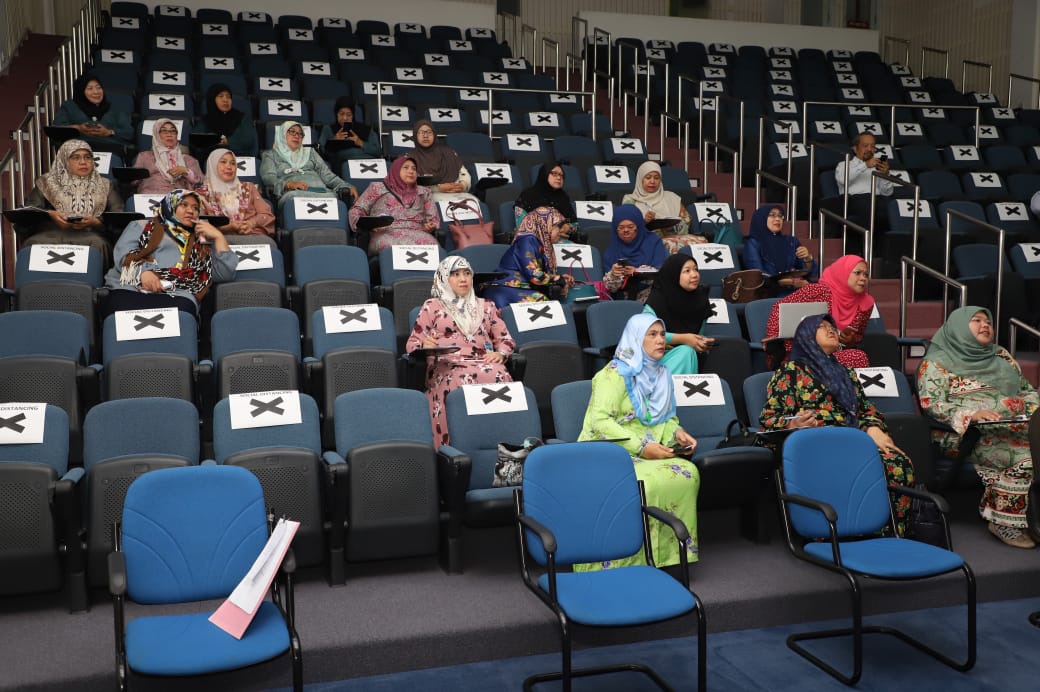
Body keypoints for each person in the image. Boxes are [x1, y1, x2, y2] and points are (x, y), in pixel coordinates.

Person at [760, 313, 915, 535]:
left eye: (832, 326)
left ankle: (889, 534)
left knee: (897, 462)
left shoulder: (846, 373)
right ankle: (838, 532)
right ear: (806, 336)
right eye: (822, 327)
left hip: (853, 439)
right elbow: (769, 419)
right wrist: (794, 423)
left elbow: (866, 410)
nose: (831, 330)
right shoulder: (790, 372)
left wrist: (873, 428)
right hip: (815, 443)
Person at [577, 313, 700, 569]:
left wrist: (677, 434)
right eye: (651, 335)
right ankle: (630, 562)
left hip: (650, 449)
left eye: (661, 334)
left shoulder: (662, 373)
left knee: (688, 473)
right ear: (635, 339)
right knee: (647, 482)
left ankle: (668, 558)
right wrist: (641, 448)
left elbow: (666, 418)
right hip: (609, 449)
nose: (660, 340)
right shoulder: (613, 374)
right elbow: (600, 422)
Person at [917, 306, 1039, 548]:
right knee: (1026, 458)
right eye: (977, 320)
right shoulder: (936, 363)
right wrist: (971, 415)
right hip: (965, 434)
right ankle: (1004, 522)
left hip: (1014, 426)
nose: (985, 325)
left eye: (988, 322)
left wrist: (1025, 405)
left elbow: (1026, 390)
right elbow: (932, 404)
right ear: (959, 327)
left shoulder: (1002, 356)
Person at [406, 256, 516, 447]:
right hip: (446, 365)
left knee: (501, 374)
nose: (463, 279)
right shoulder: (432, 306)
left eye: (467, 273)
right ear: (444, 278)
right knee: (459, 380)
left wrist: (501, 353)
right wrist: (425, 345)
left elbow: (505, 339)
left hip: (483, 362)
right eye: (455, 275)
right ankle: (455, 449)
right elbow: (412, 343)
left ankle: (504, 443)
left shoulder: (487, 306)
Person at [104, 189, 237, 316]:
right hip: (131, 288)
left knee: (183, 313)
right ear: (170, 205)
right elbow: (124, 253)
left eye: (195, 208)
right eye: (184, 205)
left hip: (177, 294)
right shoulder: (140, 225)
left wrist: (219, 237)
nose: (190, 211)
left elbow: (224, 274)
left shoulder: (201, 239)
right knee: (119, 308)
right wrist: (143, 272)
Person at [19, 139, 123, 261]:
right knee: (33, 243)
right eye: (75, 158)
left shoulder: (105, 185)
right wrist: (50, 214)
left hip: (91, 234)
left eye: (88, 157)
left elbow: (118, 216)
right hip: (50, 233)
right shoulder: (46, 183)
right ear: (63, 160)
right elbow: (29, 213)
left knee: (99, 245)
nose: (83, 162)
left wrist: (97, 223)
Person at [764, 254, 873, 368]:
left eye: (866, 274)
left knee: (858, 357)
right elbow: (779, 308)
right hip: (797, 352)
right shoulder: (818, 291)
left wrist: (849, 340)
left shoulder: (866, 304)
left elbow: (857, 336)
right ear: (843, 272)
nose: (863, 278)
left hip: (832, 353)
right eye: (857, 273)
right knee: (858, 357)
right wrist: (773, 342)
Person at [482, 206, 574, 309]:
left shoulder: (541, 244)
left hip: (519, 288)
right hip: (504, 288)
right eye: (558, 228)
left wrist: (558, 279)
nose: (561, 233)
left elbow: (539, 275)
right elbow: (534, 275)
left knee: (549, 304)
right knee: (545, 303)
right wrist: (558, 279)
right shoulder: (527, 240)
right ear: (545, 225)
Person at [348, 155, 439, 256]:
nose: (411, 171)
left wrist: (430, 226)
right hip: (385, 233)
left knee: (433, 246)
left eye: (414, 169)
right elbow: (357, 209)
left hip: (418, 232)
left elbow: (433, 219)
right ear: (396, 169)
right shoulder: (377, 188)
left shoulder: (424, 192)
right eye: (406, 167)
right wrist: (368, 224)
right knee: (389, 247)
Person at [642, 253, 715, 375]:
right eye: (687, 271)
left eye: (696, 269)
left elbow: (698, 334)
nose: (694, 275)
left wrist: (701, 342)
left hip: (689, 355)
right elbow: (646, 335)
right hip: (655, 357)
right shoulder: (657, 300)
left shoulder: (700, 298)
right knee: (686, 351)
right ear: (674, 274)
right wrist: (684, 339)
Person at [260, 120, 357, 210]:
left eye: (300, 133)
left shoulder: (310, 152)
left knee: (336, 200)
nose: (297, 136)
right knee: (293, 198)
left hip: (322, 193)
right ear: (282, 134)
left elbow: (328, 176)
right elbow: (269, 178)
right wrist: (288, 184)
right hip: (293, 194)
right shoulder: (270, 155)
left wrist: (346, 185)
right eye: (292, 131)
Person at [196, 148, 276, 243]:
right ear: (212, 165)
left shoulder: (248, 188)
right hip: (219, 240)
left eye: (233, 163)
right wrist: (227, 228)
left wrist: (251, 223)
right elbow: (200, 226)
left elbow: (266, 215)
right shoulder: (201, 195)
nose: (229, 167)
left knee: (269, 243)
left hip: (251, 236)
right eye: (223, 162)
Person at [622, 161, 698, 254]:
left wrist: (673, 227)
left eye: (656, 178)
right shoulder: (630, 200)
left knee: (700, 241)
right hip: (645, 239)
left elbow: (686, 219)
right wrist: (644, 221)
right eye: (648, 177)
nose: (652, 181)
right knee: (669, 245)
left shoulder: (671, 197)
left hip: (674, 236)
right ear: (640, 179)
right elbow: (626, 226)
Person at [743, 204, 818, 297]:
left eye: (780, 216)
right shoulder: (753, 243)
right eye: (772, 215)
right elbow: (757, 276)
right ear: (761, 218)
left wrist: (807, 258)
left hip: (793, 290)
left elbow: (811, 274)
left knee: (822, 292)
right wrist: (791, 282)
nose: (778, 219)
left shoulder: (791, 241)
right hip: (768, 293)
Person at [51, 73, 133, 153]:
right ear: (81, 91)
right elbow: (56, 129)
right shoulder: (69, 106)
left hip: (109, 148)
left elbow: (128, 132)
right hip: (77, 149)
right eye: (90, 88)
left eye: (99, 88)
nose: (96, 92)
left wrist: (109, 132)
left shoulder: (115, 109)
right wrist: (78, 128)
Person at [603, 203, 667, 301]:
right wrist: (614, 275)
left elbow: (663, 273)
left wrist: (638, 272)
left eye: (630, 227)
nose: (626, 231)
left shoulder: (654, 242)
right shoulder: (611, 252)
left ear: (638, 226)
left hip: (652, 296)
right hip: (623, 301)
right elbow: (611, 289)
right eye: (621, 228)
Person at [834, 132, 892, 237]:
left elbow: (887, 193)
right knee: (866, 205)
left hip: (877, 200)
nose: (870, 149)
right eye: (865, 146)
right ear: (855, 149)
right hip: (854, 201)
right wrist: (865, 165)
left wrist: (886, 175)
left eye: (873, 146)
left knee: (892, 208)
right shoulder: (844, 164)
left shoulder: (877, 168)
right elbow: (843, 180)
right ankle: (866, 244)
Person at [409, 119, 476, 204]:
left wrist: (463, 185)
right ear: (415, 135)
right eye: (421, 132)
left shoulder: (448, 153)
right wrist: (438, 188)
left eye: (429, 132)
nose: (425, 136)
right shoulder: (409, 158)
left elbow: (464, 174)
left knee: (474, 202)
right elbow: (410, 186)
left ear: (434, 134)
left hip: (456, 193)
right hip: (427, 197)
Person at [133, 118, 204, 195]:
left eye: (173, 131)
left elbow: (201, 184)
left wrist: (186, 172)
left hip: (179, 197)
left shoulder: (188, 160)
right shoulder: (144, 156)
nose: (169, 134)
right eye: (164, 131)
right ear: (156, 135)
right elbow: (133, 182)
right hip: (150, 195)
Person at [318, 97, 381, 170]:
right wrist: (334, 140)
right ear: (336, 114)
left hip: (370, 165)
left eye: (348, 115)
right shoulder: (328, 129)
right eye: (341, 114)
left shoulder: (366, 129)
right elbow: (320, 151)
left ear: (353, 115)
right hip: (341, 168)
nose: (345, 118)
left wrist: (360, 143)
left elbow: (378, 151)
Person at [513, 161, 576, 234]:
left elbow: (574, 224)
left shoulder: (564, 197)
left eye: (561, 175)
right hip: (534, 237)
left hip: (561, 237)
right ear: (544, 174)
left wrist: (568, 228)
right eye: (554, 174)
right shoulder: (528, 195)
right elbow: (521, 225)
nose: (559, 177)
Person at [199, 83, 258, 156]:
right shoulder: (205, 120)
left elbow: (248, 141)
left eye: (228, 97)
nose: (225, 100)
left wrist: (228, 142)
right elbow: (197, 140)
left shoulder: (242, 118)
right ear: (212, 99)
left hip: (239, 156)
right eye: (221, 96)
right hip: (212, 156)